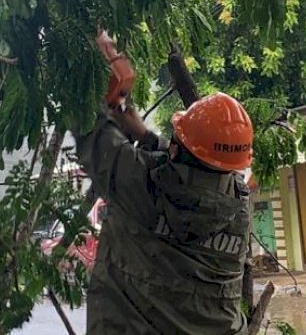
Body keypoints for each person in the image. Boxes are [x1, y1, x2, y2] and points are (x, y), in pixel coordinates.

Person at [76, 92, 254, 334]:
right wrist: (147, 137)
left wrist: (103, 86)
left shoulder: (140, 186)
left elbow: (91, 130)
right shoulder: (241, 208)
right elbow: (197, 175)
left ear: (177, 150)